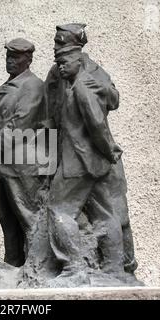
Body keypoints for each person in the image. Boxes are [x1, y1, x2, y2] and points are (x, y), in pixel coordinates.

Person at [45, 23, 137, 274]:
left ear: (73, 49)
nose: (55, 49)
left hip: (81, 157)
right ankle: (113, 269)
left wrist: (109, 150)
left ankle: (74, 268)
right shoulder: (59, 74)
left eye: (59, 44)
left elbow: (103, 114)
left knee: (59, 209)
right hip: (94, 157)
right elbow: (51, 113)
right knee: (105, 213)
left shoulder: (88, 77)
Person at [0, 38, 48, 267]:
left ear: (28, 60)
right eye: (8, 56)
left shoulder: (33, 85)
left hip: (22, 164)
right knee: (7, 219)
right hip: (1, 163)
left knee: (29, 217)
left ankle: (36, 266)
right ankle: (13, 263)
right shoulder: (8, 85)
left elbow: (19, 124)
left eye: (16, 57)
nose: (10, 61)